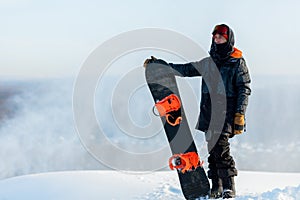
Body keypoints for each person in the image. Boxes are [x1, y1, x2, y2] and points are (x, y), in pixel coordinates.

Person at [144, 24, 251, 199]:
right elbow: (186, 69)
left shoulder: (237, 62)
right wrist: (160, 66)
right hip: (209, 112)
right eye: (215, 37)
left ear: (229, 39)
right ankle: (216, 185)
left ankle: (228, 187)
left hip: (226, 112)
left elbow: (244, 89)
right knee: (212, 149)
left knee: (221, 148)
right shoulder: (209, 63)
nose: (218, 40)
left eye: (221, 37)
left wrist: (240, 114)